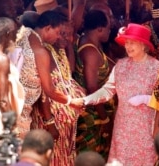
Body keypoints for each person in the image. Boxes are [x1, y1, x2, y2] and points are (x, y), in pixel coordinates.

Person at [82, 23, 159, 165]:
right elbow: (107, 91)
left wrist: (147, 99)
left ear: (144, 45)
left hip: (145, 127)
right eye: (126, 43)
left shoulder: (156, 67)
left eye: (133, 43)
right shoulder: (121, 65)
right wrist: (86, 100)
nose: (128, 47)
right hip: (123, 127)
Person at [16, 10, 84, 139]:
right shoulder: (41, 51)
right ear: (47, 28)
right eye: (58, 33)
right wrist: (72, 101)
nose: (59, 37)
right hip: (21, 108)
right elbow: (49, 90)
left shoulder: (25, 33)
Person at [31, 22, 85, 166]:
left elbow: (70, 70)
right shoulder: (45, 53)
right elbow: (45, 92)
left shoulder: (60, 51)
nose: (68, 38)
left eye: (71, 34)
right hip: (52, 121)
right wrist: (50, 123)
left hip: (65, 125)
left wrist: (69, 45)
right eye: (63, 34)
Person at [73, 10, 115, 159]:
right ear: (99, 29)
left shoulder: (91, 43)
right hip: (91, 115)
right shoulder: (90, 51)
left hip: (94, 111)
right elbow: (92, 87)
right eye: (109, 28)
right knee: (90, 156)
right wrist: (104, 117)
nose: (110, 31)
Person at [0, 17, 24, 147]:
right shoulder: (1, 59)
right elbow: (3, 100)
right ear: (7, 34)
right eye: (14, 33)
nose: (15, 37)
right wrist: (13, 126)